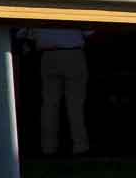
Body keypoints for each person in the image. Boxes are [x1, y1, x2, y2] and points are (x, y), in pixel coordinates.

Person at [30, 26, 91, 156]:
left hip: (48, 55)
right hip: (73, 53)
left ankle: (48, 147)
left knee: (49, 105)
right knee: (75, 105)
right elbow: (89, 31)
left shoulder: (41, 7)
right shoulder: (76, 6)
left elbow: (28, 33)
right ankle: (80, 146)